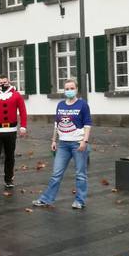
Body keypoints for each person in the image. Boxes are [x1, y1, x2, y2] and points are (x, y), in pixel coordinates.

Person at [32, 79, 92, 209]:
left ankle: (80, 201)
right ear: (64, 90)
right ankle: (46, 199)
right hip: (63, 144)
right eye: (67, 89)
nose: (69, 91)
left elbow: (87, 124)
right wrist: (54, 140)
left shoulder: (82, 105)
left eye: (72, 88)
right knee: (56, 174)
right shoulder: (60, 105)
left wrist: (84, 141)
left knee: (80, 174)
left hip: (78, 144)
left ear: (76, 89)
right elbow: (56, 124)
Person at [0, 75, 27, 189]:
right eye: (0, 82)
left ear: (9, 82)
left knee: (9, 156)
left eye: (4, 82)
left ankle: (9, 180)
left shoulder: (16, 95)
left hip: (11, 131)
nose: (2, 84)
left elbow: (23, 111)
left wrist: (23, 126)